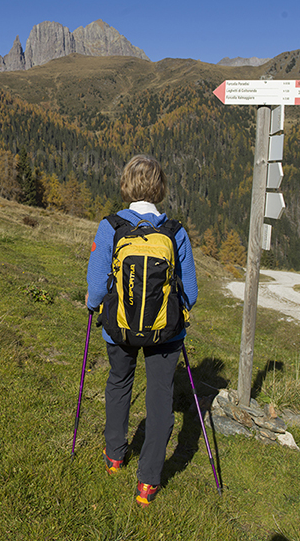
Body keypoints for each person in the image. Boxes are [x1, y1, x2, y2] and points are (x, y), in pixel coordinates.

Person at [85, 154, 199, 507]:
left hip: (118, 328)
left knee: (119, 383)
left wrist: (93, 306)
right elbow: (190, 293)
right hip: (165, 332)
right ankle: (148, 482)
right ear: (160, 187)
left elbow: (96, 288)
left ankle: (115, 455)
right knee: (160, 396)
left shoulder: (111, 226)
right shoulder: (175, 232)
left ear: (126, 185)